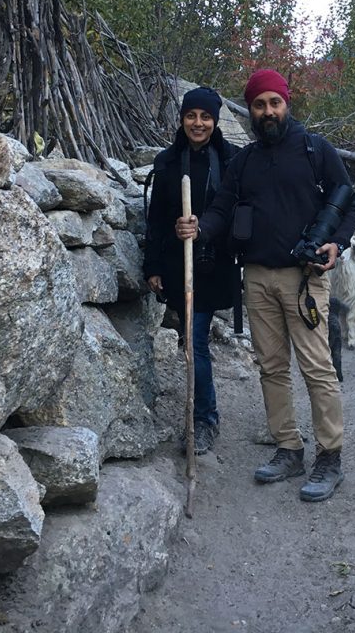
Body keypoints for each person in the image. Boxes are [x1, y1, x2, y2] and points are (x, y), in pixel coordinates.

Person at [176, 69, 355, 502]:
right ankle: (288, 447)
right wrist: (199, 228)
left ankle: (329, 456)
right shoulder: (244, 162)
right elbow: (222, 209)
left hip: (305, 278)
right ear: (252, 110)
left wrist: (337, 242)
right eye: (259, 105)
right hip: (256, 277)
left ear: (286, 103)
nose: (267, 111)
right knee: (271, 366)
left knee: (316, 367)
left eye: (274, 102)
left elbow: (346, 198)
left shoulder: (316, 150)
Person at [144, 86, 239, 455]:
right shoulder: (167, 162)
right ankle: (201, 414)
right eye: (191, 116)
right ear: (182, 119)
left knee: (196, 340)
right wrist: (152, 264)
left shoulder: (231, 163)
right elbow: (154, 219)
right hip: (176, 265)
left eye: (205, 117)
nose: (197, 123)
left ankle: (204, 419)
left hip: (214, 265)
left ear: (215, 121)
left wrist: (207, 229)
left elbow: (236, 211)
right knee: (191, 341)